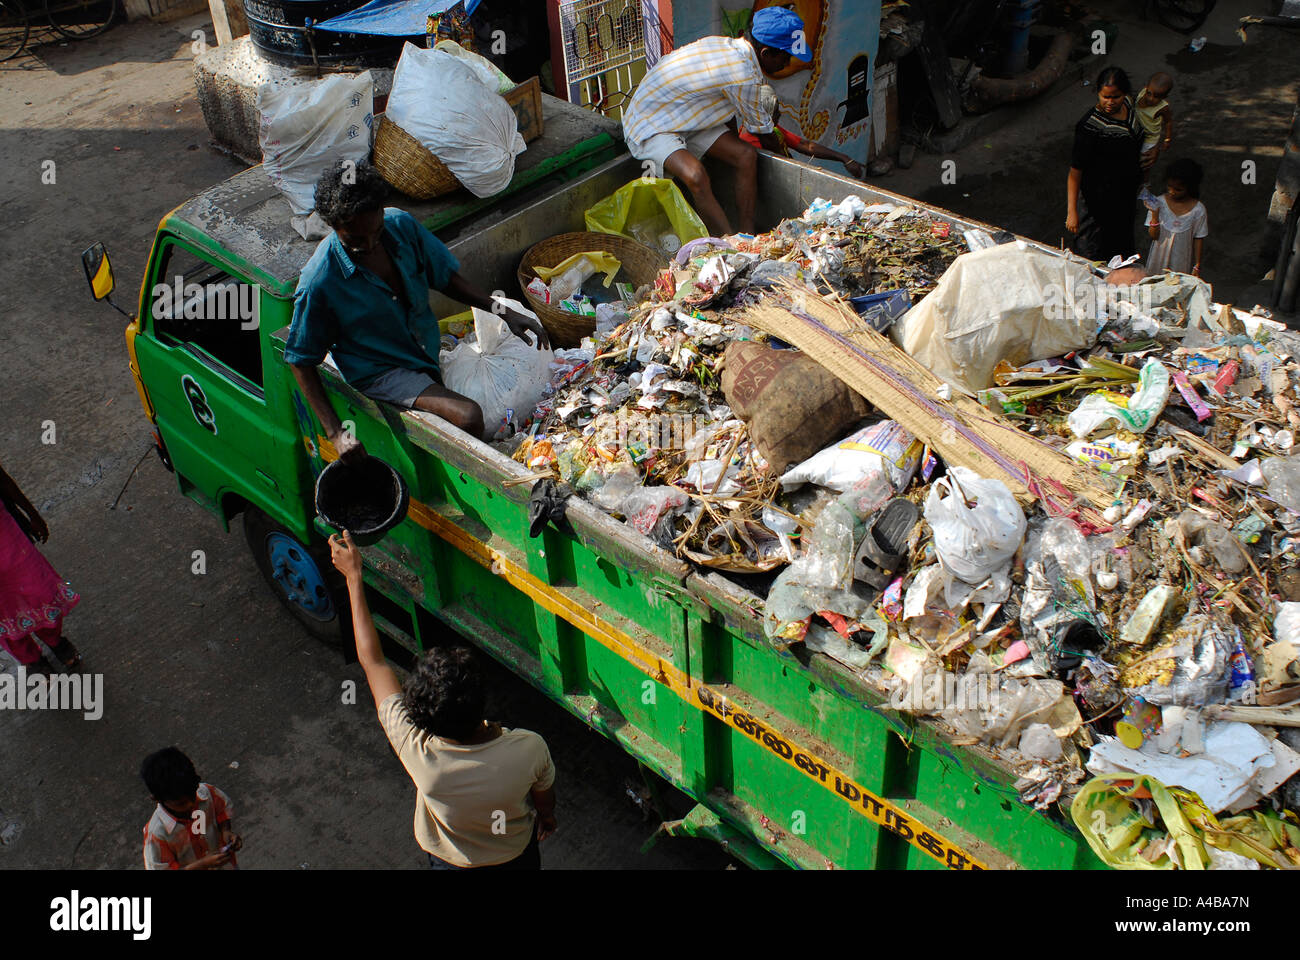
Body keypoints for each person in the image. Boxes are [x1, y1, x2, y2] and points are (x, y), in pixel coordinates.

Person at [285, 160, 549, 460]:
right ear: (334, 227)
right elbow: (300, 360)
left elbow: (446, 278)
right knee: (468, 416)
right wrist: (336, 433)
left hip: (422, 348)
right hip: (381, 370)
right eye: (355, 240)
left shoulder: (400, 226)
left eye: (376, 231)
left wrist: (502, 310)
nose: (371, 245)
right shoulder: (320, 280)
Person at [329, 530, 557, 869]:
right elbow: (544, 801)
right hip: (515, 857)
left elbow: (373, 661)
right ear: (482, 698)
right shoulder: (528, 748)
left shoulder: (416, 748)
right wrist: (546, 818)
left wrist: (354, 576)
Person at [620, 6, 811, 236]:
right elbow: (764, 133)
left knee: (745, 155)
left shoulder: (730, 46)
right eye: (785, 56)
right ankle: (730, 242)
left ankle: (747, 234)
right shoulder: (743, 74)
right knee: (696, 175)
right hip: (651, 123)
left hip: (688, 117)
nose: (787, 63)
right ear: (766, 53)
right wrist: (785, 162)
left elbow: (727, 112)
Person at [0, 462, 81, 677]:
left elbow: (1, 478)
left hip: (6, 536)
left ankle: (54, 640)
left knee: (38, 588)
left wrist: (31, 514)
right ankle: (32, 660)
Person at [1065, 66, 1144, 262]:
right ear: (1098, 93)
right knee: (1093, 254)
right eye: (1104, 96)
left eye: (1115, 97)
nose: (1110, 102)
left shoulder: (1129, 107)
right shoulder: (1090, 127)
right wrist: (1072, 212)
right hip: (1097, 204)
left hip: (1123, 198)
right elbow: (1075, 173)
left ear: (1124, 94)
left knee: (1122, 249)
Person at [140, 747, 242, 870]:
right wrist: (202, 865)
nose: (190, 805)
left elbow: (221, 809)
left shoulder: (206, 794)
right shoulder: (157, 835)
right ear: (156, 799)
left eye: (193, 796)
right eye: (181, 804)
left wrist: (226, 831)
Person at [739, 85, 866, 180]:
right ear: (764, 116)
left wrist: (844, 158)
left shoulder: (771, 130)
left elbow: (806, 145)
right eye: (776, 111)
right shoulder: (748, 144)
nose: (780, 114)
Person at [1141, 158, 1208, 277]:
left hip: (1181, 262)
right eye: (1169, 187)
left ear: (1190, 188)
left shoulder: (1198, 210)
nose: (1172, 192)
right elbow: (1154, 235)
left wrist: (1197, 265)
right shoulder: (1159, 203)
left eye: (1178, 189)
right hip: (1157, 261)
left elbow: (1198, 237)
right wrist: (1155, 215)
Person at [1135, 72, 1175, 175]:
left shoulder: (1163, 108)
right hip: (1137, 132)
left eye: (1157, 97)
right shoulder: (1141, 94)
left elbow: (1168, 122)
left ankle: (1145, 184)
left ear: (1164, 96)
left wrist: (1167, 139)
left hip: (1150, 139)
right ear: (1146, 87)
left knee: (1145, 163)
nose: (1151, 99)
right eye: (1149, 93)